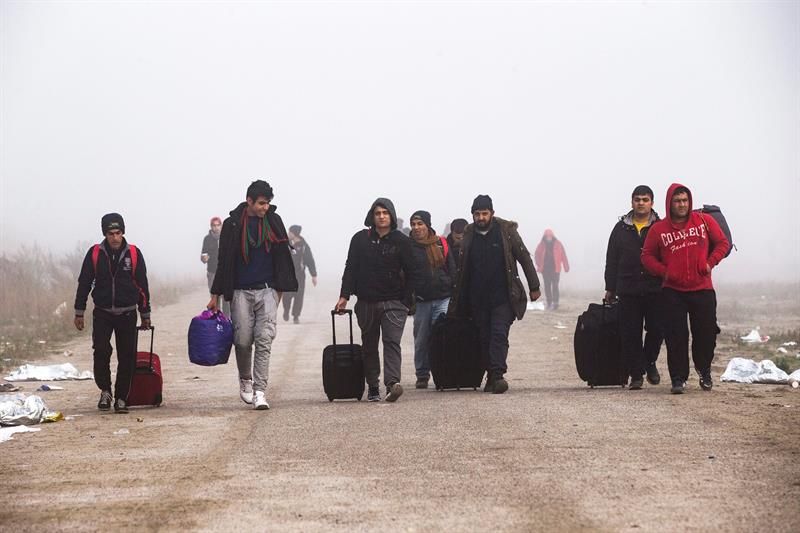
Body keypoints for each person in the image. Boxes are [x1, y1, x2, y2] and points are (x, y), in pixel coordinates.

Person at [208, 180, 297, 410]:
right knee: (243, 340)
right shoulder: (233, 224)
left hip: (267, 289)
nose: (265, 207)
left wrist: (279, 291)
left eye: (267, 203)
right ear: (249, 201)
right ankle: (245, 380)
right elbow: (224, 260)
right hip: (240, 291)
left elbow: (283, 256)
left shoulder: (273, 221)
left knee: (265, 339)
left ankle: (260, 391)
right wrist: (215, 294)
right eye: (261, 203)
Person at [641, 183, 730, 394]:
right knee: (676, 336)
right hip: (672, 291)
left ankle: (704, 371)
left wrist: (709, 263)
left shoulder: (704, 221)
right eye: (677, 201)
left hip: (702, 288)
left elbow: (722, 243)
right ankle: (678, 378)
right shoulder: (659, 229)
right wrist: (664, 271)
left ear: (689, 202)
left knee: (706, 334)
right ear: (669, 203)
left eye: (685, 200)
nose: (681, 204)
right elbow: (646, 256)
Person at [449, 195, 540, 394]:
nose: (481, 217)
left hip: (504, 295)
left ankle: (498, 374)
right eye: (477, 214)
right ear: (472, 215)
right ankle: (490, 374)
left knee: (499, 333)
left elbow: (524, 256)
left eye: (484, 213)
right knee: (484, 336)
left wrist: (534, 286)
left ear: (492, 213)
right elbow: (462, 268)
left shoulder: (506, 232)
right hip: (477, 297)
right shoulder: (469, 234)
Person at [334, 198, 421, 402]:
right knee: (370, 344)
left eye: (385, 213)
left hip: (394, 302)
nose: (381, 216)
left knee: (392, 342)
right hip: (366, 302)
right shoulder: (359, 239)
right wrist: (344, 296)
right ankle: (372, 385)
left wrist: (406, 300)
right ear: (372, 216)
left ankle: (392, 383)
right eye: (378, 213)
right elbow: (351, 268)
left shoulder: (402, 241)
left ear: (391, 215)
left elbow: (413, 271)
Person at [74, 213, 151, 414]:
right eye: (110, 233)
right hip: (102, 312)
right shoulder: (95, 254)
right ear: (105, 234)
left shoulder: (133, 254)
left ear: (123, 232)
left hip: (127, 313)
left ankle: (122, 398)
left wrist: (145, 313)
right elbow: (84, 283)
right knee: (101, 351)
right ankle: (105, 391)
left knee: (126, 356)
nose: (115, 237)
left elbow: (142, 284)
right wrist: (79, 311)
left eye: (118, 233)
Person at [604, 185, 664, 390]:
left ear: (652, 203)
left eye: (645, 199)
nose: (641, 203)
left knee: (657, 329)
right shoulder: (620, 228)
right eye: (637, 199)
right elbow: (611, 259)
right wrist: (610, 287)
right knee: (630, 333)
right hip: (627, 288)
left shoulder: (661, 227)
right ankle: (636, 374)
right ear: (631, 202)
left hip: (655, 288)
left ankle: (649, 361)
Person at [408, 210, 455, 389]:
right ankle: (422, 374)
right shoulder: (408, 246)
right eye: (413, 224)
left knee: (441, 336)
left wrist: (452, 286)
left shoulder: (441, 243)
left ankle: (442, 372)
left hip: (443, 297)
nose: (416, 228)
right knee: (421, 339)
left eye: (420, 224)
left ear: (427, 225)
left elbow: (451, 268)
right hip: (421, 301)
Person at [282, 225, 318, 324]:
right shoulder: (286, 243)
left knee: (299, 296)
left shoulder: (304, 246)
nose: (288, 234)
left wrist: (314, 275)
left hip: (300, 275)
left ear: (295, 234)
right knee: (286, 295)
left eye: (290, 232)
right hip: (287, 275)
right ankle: (286, 310)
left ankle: (296, 316)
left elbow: (310, 260)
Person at [534, 229, 569, 310]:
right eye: (547, 236)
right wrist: (539, 264)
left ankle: (555, 303)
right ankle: (549, 303)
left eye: (550, 236)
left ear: (552, 236)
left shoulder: (558, 244)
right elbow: (537, 255)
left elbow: (563, 255)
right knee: (547, 286)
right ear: (545, 236)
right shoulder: (541, 245)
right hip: (545, 270)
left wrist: (566, 266)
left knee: (555, 286)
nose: (548, 238)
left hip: (555, 269)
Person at [201, 216, 230, 316]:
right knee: (214, 297)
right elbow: (203, 255)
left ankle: (226, 319)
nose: (216, 227)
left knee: (226, 298)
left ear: (221, 226)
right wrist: (204, 258)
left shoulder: (227, 237)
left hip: (225, 272)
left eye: (218, 225)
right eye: (214, 225)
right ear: (211, 226)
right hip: (212, 272)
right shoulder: (207, 239)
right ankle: (216, 319)